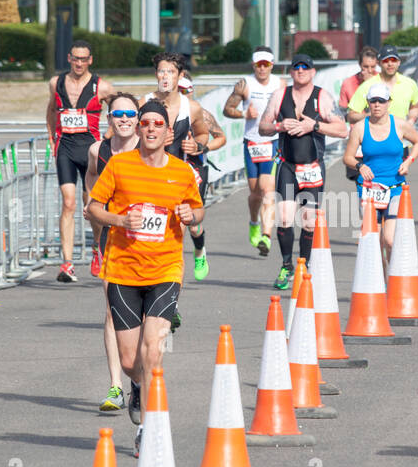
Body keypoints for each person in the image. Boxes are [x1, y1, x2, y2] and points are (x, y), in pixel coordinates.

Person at [84, 100, 204, 455]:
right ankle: (135, 386)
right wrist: (120, 221)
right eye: (146, 123)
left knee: (154, 351)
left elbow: (197, 210)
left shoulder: (182, 172)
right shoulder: (120, 166)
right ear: (139, 128)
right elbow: (93, 206)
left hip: (166, 268)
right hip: (122, 270)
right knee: (129, 361)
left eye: (158, 124)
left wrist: (189, 213)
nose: (151, 129)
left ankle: (148, 430)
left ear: (168, 132)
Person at [258, 52, 349, 290]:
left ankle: (304, 265)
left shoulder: (322, 97)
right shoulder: (280, 95)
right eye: (296, 67)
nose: (300, 71)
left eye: (305, 68)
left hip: (312, 167)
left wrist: (315, 125)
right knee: (286, 218)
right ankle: (287, 265)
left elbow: (342, 129)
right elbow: (262, 127)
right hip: (287, 165)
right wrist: (279, 125)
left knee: (309, 222)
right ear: (290, 72)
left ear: (312, 72)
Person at [82, 92, 141, 414]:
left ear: (138, 118)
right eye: (118, 114)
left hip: (147, 241)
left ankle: (139, 381)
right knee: (112, 312)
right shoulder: (97, 150)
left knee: (144, 317)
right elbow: (92, 177)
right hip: (113, 238)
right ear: (109, 118)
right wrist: (92, 203)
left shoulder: (148, 148)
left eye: (130, 114)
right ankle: (116, 385)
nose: (124, 119)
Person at [148, 57, 224, 281]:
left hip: (190, 171)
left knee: (191, 226)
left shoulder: (195, 109)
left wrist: (199, 147)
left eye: (184, 88)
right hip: (157, 175)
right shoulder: (149, 105)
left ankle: (199, 251)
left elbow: (219, 137)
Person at [47, 39, 114, 283]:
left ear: (90, 60)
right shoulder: (56, 83)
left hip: (91, 151)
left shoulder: (102, 87)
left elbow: (121, 109)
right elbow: (52, 111)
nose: (79, 63)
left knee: (91, 207)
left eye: (83, 59)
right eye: (75, 58)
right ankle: (67, 263)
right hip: (65, 148)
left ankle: (97, 248)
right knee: (68, 203)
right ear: (69, 58)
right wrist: (52, 138)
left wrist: (108, 138)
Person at [343, 81, 418, 267]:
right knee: (374, 242)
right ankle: (383, 283)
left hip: (395, 187)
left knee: (390, 239)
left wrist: (408, 161)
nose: (377, 105)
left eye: (381, 101)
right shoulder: (360, 128)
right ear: (368, 103)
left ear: (389, 102)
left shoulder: (400, 125)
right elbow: (347, 157)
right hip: (370, 190)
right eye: (373, 101)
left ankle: (397, 278)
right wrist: (360, 165)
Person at [223, 46, 281, 256]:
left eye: (266, 65)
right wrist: (243, 114)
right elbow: (227, 109)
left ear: (272, 65)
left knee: (268, 190)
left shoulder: (279, 84)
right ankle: (254, 222)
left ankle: (266, 235)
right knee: (255, 192)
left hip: (271, 142)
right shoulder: (245, 84)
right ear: (253, 65)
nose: (262, 69)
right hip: (252, 144)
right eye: (259, 65)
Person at [346, 45, 418, 127]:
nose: (390, 64)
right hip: (376, 136)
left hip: (402, 136)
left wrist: (410, 122)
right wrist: (370, 116)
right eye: (385, 61)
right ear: (379, 63)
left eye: (393, 60)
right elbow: (351, 116)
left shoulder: (409, 83)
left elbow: (415, 107)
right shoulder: (368, 85)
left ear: (399, 62)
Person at [339, 46, 379, 111]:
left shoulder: (381, 80)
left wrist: (369, 84)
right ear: (360, 64)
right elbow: (342, 112)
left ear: (377, 64)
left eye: (373, 67)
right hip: (356, 119)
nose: (369, 70)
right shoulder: (348, 83)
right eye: (366, 66)